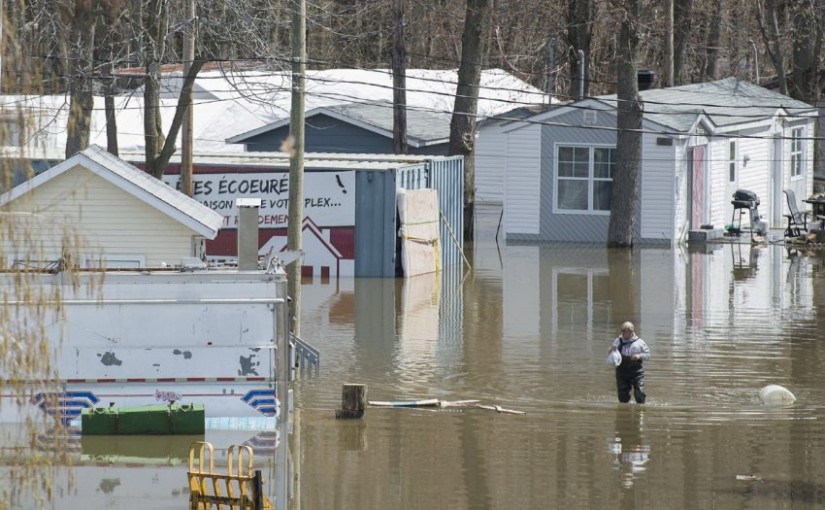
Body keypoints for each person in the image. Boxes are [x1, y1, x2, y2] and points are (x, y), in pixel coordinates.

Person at [609, 321, 650, 404]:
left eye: (624, 331)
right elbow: (611, 355)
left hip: (636, 371)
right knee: (623, 397)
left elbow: (648, 355)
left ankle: (640, 411)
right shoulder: (618, 341)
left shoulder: (640, 342)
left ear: (630, 331)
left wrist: (639, 356)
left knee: (639, 394)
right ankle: (624, 413)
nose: (622, 333)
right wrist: (611, 350)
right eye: (622, 331)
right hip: (622, 371)